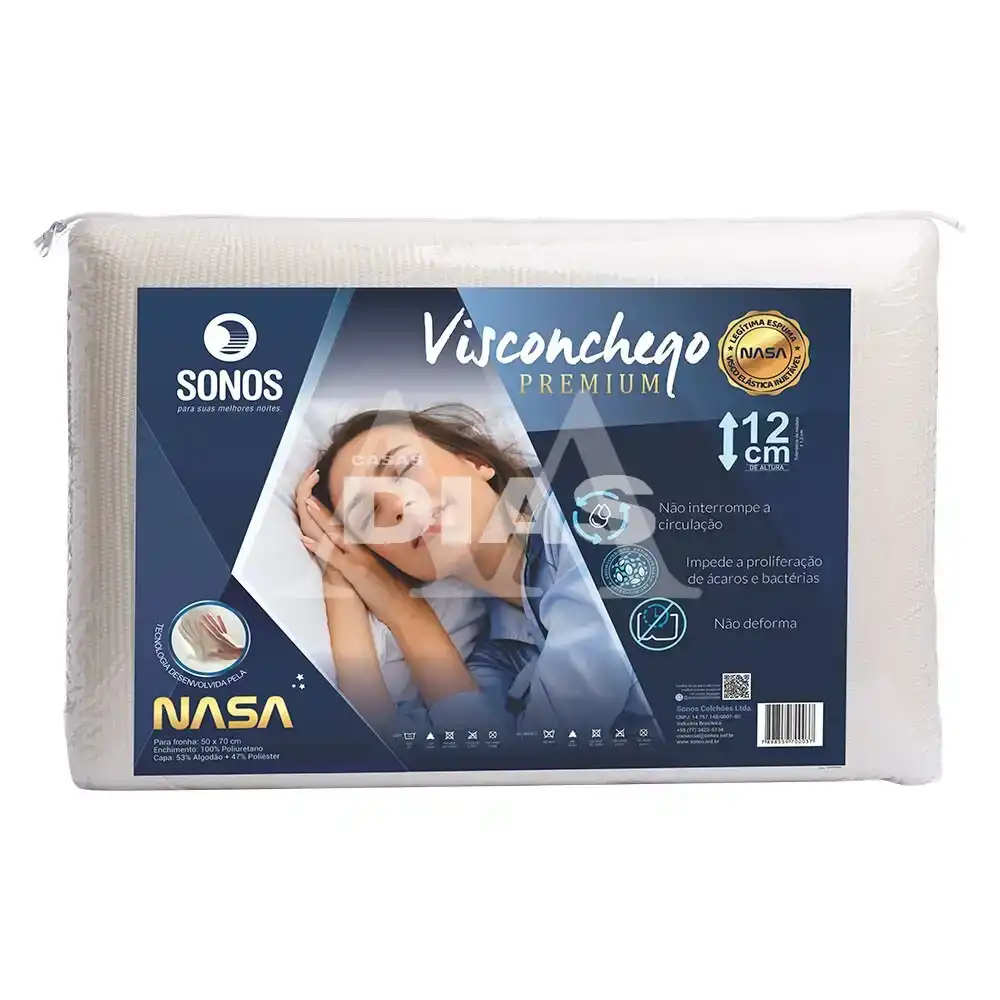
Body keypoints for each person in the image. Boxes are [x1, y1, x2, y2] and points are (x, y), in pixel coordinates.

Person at [295, 404, 656, 741]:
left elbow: (544, 750)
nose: (396, 506)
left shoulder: (591, 525)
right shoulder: (500, 652)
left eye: (404, 469)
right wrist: (353, 586)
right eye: (368, 514)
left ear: (475, 462)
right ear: (384, 561)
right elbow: (407, 748)